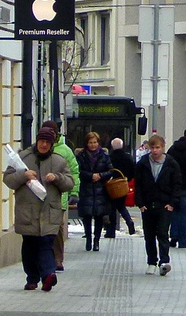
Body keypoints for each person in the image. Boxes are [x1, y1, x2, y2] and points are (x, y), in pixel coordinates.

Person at [3, 121, 72, 291]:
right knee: (30, 247)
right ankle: (32, 278)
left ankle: (48, 275)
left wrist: (57, 178)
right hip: (28, 213)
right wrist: (23, 175)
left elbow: (70, 182)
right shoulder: (23, 157)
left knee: (46, 245)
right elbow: (8, 179)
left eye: (47, 142)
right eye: (41, 141)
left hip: (50, 213)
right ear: (37, 141)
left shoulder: (59, 161)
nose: (44, 145)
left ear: (52, 144)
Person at [133, 133, 182, 277]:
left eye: (158, 147)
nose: (155, 151)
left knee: (162, 233)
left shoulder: (171, 164)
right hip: (147, 204)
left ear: (163, 147)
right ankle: (151, 262)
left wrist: (172, 203)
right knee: (149, 235)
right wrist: (140, 203)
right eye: (153, 148)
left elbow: (177, 184)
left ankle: (164, 262)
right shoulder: (143, 163)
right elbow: (138, 185)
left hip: (164, 203)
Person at [46, 121, 79, 271]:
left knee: (58, 229)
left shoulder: (65, 150)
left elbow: (74, 172)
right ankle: (46, 258)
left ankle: (58, 259)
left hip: (61, 197)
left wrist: (74, 192)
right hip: (42, 196)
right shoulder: (40, 147)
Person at [75, 131, 112, 253]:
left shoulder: (104, 155)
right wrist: (90, 176)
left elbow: (111, 170)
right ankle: (88, 239)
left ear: (98, 143)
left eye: (95, 142)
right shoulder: (81, 156)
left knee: (99, 217)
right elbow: (78, 171)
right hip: (86, 189)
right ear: (86, 143)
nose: (93, 145)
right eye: (90, 142)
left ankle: (96, 241)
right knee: (87, 216)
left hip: (101, 190)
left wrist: (100, 175)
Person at [107, 137, 136, 238]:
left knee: (112, 208)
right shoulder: (128, 157)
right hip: (123, 185)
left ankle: (111, 231)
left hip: (111, 185)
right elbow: (133, 172)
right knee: (121, 206)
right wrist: (126, 180)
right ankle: (129, 221)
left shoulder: (109, 157)